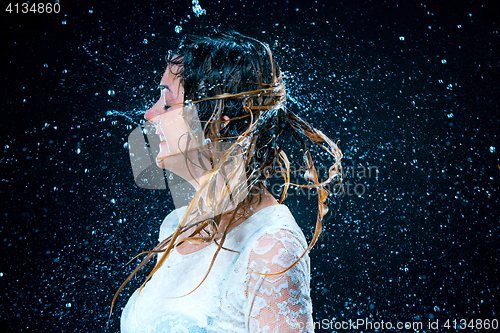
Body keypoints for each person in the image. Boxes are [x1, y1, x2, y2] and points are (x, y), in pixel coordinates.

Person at [113, 31, 342, 332]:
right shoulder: (176, 226)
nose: (150, 114)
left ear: (222, 120)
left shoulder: (271, 248)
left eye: (168, 105)